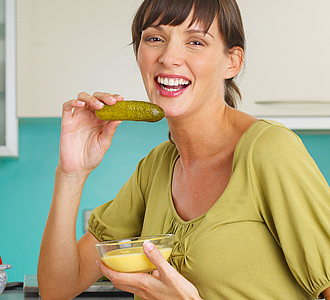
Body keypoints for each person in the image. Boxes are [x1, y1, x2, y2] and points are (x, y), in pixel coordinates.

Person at [37, 0, 330, 299]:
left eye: (195, 41)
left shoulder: (269, 151)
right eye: (154, 39)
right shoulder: (156, 168)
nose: (169, 57)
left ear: (232, 62)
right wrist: (71, 173)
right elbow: (57, 289)